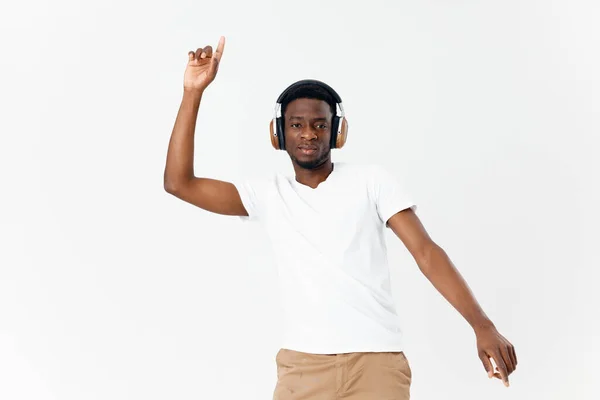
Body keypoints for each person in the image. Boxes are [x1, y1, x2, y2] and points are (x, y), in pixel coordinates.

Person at [163, 36, 517, 400]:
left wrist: (482, 325)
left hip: (376, 365)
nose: (309, 134)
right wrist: (193, 93)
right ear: (278, 133)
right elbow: (179, 183)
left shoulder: (372, 181)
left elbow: (426, 252)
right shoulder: (267, 194)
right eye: (297, 124)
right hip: (302, 367)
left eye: (319, 124)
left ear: (337, 131)